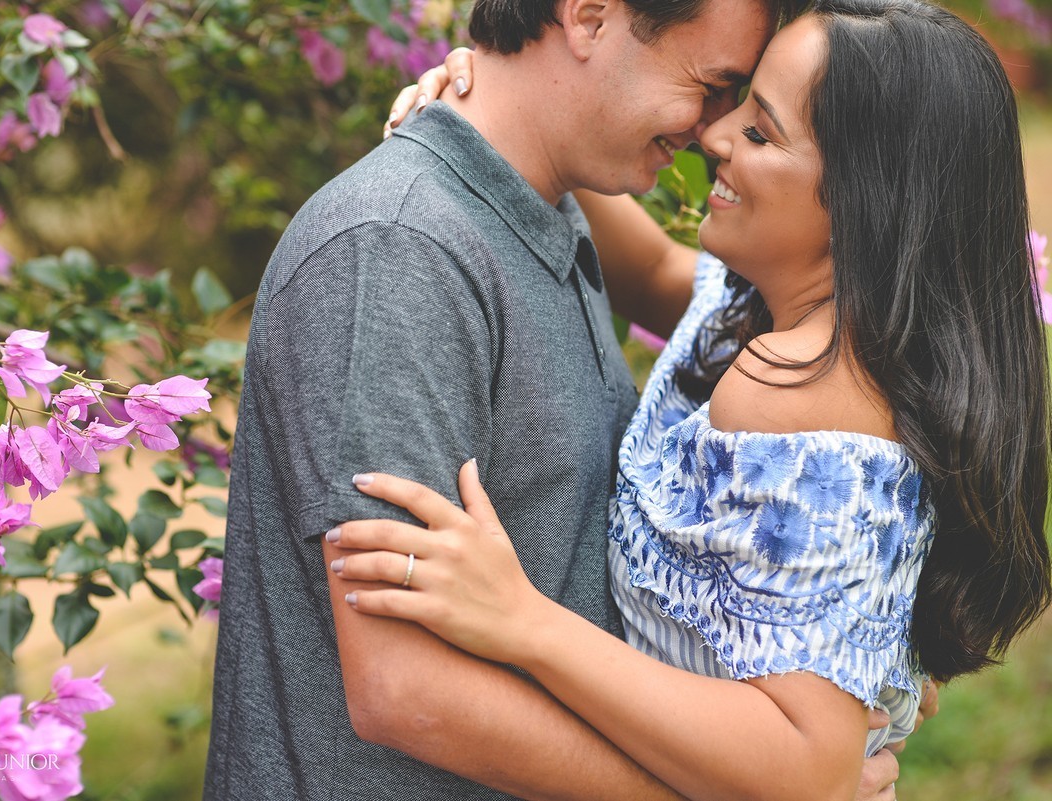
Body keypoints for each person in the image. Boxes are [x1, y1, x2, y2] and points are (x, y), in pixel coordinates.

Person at [327, 2, 1052, 800]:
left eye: (761, 131)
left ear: (865, 202)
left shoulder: (798, 396)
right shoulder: (771, 314)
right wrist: (489, 117)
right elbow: (658, 274)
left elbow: (806, 767)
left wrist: (526, 622)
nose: (716, 135)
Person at [204, 1, 833, 799]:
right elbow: (406, 687)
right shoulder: (400, 249)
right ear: (589, 17)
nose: (715, 128)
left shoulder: (544, 202)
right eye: (711, 84)